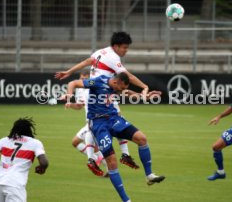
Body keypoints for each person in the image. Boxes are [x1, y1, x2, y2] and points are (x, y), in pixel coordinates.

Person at [65, 72, 165, 202]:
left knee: (142, 138)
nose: (122, 91)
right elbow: (73, 83)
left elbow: (126, 92)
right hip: (98, 123)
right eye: (121, 88)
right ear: (115, 82)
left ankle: (149, 175)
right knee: (112, 162)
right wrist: (69, 96)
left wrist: (142, 96)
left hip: (113, 119)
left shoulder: (115, 84)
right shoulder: (96, 82)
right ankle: (126, 200)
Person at [55, 32, 145, 169]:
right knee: (117, 119)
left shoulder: (100, 52)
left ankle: (94, 158)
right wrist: (144, 86)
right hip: (103, 90)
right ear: (116, 46)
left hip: (93, 90)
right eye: (124, 47)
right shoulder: (114, 58)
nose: (126, 50)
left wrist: (69, 71)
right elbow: (128, 76)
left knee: (94, 124)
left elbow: (86, 62)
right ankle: (119, 156)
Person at [66, 72, 139, 177]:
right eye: (81, 78)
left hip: (100, 121)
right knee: (76, 142)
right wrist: (69, 103)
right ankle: (102, 161)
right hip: (92, 121)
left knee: (96, 140)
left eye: (85, 78)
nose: (83, 80)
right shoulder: (84, 92)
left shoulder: (100, 88)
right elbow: (79, 106)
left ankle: (97, 159)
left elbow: (120, 98)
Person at [0, 117, 49, 202]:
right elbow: (44, 162)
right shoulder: (35, 143)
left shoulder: (5, 140)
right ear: (29, 129)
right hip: (15, 185)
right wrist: (42, 168)